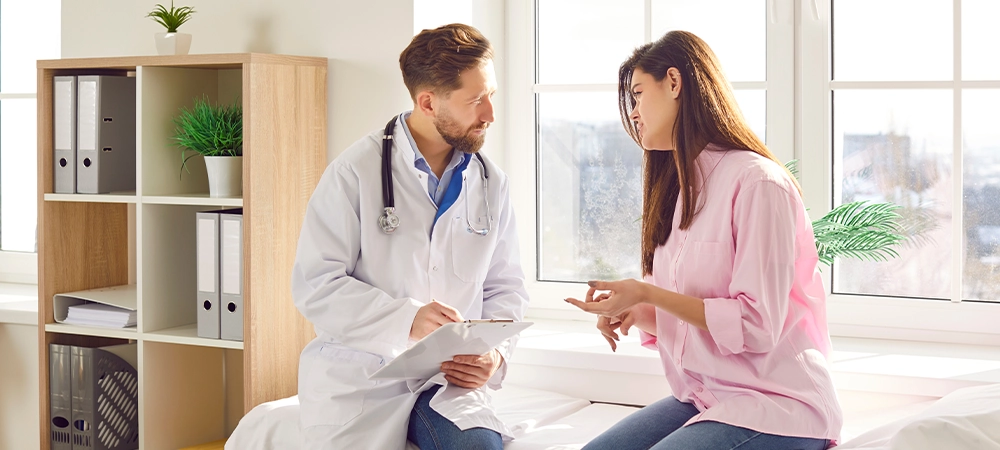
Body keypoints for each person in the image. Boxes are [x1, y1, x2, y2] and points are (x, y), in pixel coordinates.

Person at [564, 30, 843, 450]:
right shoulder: (678, 190)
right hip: (707, 397)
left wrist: (647, 293)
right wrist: (636, 310)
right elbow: (700, 321)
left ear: (674, 83)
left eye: (638, 94)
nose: (634, 113)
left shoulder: (758, 182)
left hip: (779, 407)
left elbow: (755, 325)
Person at [292, 23, 529, 450]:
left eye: (491, 95)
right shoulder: (355, 173)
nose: (490, 114)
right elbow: (316, 286)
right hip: (362, 376)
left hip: (446, 379)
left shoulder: (491, 183)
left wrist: (494, 357)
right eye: (476, 101)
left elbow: (505, 287)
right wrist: (407, 319)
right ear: (428, 102)